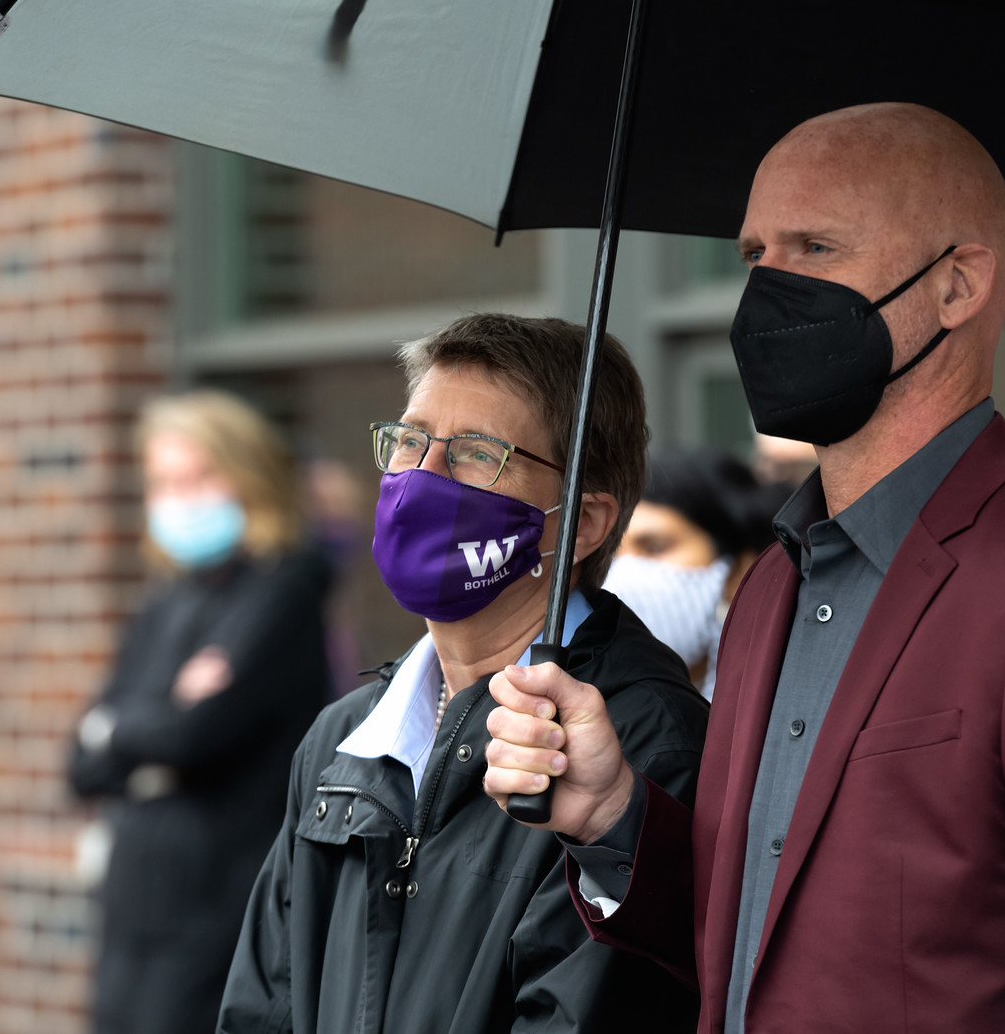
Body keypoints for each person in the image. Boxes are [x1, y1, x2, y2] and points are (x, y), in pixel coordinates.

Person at [484, 103, 1005, 1032]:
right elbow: (750, 949)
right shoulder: (773, 586)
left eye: (816, 247)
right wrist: (613, 816)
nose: (769, 290)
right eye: (754, 255)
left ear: (958, 287)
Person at [218, 313, 708, 1034]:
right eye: (410, 440)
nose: (421, 475)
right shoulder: (342, 742)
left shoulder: (642, 745)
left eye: (477, 452)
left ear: (583, 521)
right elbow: (261, 1010)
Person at [69, 390, 332, 1034]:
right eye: (165, 481)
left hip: (217, 904)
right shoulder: (167, 603)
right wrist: (140, 724)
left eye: (200, 476)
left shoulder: (281, 594)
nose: (181, 497)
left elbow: (191, 735)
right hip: (133, 903)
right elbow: (80, 765)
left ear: (247, 476)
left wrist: (119, 727)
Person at [603, 448, 783, 698]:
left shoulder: (779, 697)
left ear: (742, 567)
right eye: (610, 553)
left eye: (655, 547)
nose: (623, 571)